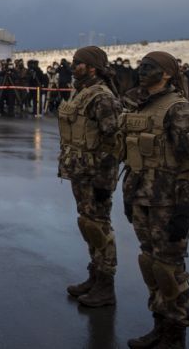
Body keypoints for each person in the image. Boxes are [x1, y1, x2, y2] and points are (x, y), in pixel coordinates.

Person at [121, 51, 189, 349]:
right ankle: (160, 325)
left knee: (170, 269)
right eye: (141, 65)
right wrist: (128, 195)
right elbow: (131, 156)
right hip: (142, 198)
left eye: (150, 67)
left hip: (168, 203)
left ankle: (175, 334)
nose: (142, 70)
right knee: (151, 264)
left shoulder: (179, 110)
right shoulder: (141, 106)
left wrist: (185, 208)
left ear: (167, 74)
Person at [58, 46, 122, 308]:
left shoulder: (102, 97)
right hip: (80, 171)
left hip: (96, 175)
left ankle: (106, 286)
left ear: (92, 67)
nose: (74, 66)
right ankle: (95, 276)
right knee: (88, 225)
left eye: (78, 63)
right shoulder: (82, 92)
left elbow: (113, 143)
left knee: (99, 228)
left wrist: (105, 184)